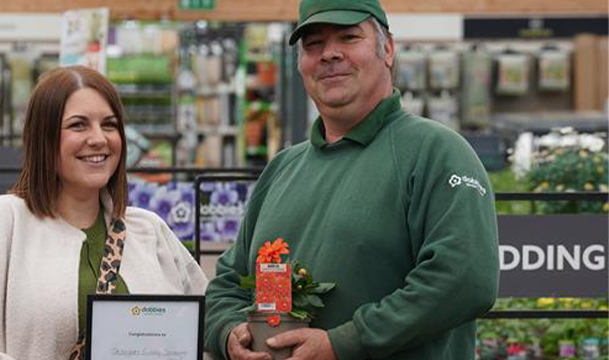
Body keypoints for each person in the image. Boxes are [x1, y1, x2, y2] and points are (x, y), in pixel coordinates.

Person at [202, 0, 500, 359]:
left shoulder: (436, 152)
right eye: (313, 45)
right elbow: (228, 284)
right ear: (300, 64)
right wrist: (231, 332)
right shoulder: (282, 169)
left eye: (348, 37)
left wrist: (343, 343)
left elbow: (464, 279)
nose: (329, 54)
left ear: (387, 49)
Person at [0, 66, 208, 359]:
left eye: (109, 124)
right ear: (44, 138)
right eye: (78, 125)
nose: (98, 139)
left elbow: (205, 326)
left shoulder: (149, 231)